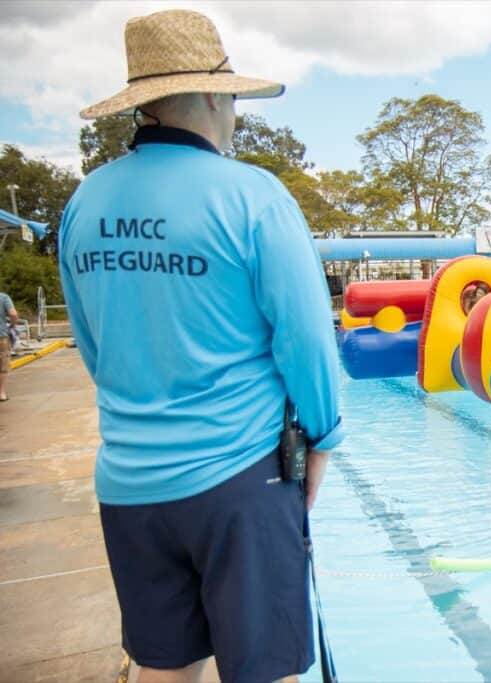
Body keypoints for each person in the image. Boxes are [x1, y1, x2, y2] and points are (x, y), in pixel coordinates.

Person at [59, 10, 342, 683]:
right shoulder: (254, 198)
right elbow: (309, 346)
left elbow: (95, 352)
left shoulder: (85, 203)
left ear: (144, 103)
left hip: (128, 483)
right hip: (239, 481)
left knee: (163, 668)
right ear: (217, 97)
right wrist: (320, 450)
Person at [0, 291, 17, 401]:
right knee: (3, 365)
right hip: (1, 336)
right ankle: (1, 393)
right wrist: (12, 325)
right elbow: (13, 314)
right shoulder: (3, 297)